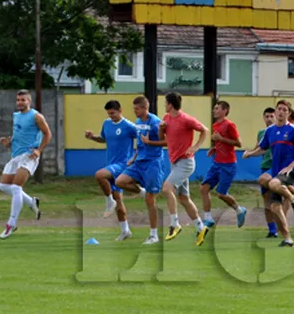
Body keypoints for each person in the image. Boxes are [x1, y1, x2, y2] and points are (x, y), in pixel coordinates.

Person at [142, 92, 209, 243]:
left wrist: (195, 147)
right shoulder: (166, 118)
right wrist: (161, 129)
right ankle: (201, 227)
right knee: (184, 198)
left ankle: (174, 224)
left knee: (166, 188)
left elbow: (205, 130)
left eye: (165, 103)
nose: (164, 106)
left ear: (170, 105)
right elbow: (162, 139)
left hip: (186, 162)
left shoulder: (185, 119)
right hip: (175, 163)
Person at [243, 99, 294, 247]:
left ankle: (293, 197)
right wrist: (250, 153)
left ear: (288, 114)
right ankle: (288, 239)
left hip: (290, 170)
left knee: (273, 183)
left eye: (285, 110)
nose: (281, 112)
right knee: (274, 206)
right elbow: (263, 148)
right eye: (279, 109)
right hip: (276, 170)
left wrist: (292, 166)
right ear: (276, 111)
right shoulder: (270, 131)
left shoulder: (293, 130)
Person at [0, 90, 49, 239]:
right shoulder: (16, 116)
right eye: (18, 100)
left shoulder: (36, 116)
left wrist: (39, 151)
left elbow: (48, 134)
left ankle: (11, 224)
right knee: (3, 186)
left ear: (29, 101)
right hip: (16, 156)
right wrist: (9, 144)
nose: (20, 102)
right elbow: (18, 135)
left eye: (23, 100)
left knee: (16, 187)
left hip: (29, 155)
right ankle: (31, 202)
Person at [88, 100, 142, 241]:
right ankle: (125, 231)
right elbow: (103, 139)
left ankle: (108, 201)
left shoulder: (129, 126)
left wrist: (135, 157)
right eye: (108, 113)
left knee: (99, 175)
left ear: (120, 110)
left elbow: (143, 141)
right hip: (111, 163)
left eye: (113, 113)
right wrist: (93, 137)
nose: (111, 116)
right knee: (118, 199)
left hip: (123, 164)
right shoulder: (106, 124)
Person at [114, 96, 164, 245]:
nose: (134, 111)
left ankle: (154, 235)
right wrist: (134, 157)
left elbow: (166, 142)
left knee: (150, 200)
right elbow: (140, 143)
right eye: (134, 108)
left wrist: (150, 142)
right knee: (120, 181)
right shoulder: (137, 122)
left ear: (144, 108)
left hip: (153, 163)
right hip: (139, 161)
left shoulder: (155, 122)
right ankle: (141, 191)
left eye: (136, 108)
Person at [198, 100, 246, 245]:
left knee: (221, 194)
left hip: (228, 164)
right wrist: (215, 147)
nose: (214, 111)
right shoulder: (215, 125)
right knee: (204, 188)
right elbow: (220, 143)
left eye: (217, 108)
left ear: (225, 110)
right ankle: (208, 218)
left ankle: (239, 210)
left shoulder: (229, 125)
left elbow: (238, 143)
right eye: (214, 108)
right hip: (217, 163)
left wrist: (221, 139)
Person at [257, 107, 279, 238]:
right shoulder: (261, 133)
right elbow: (259, 148)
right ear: (263, 118)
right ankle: (272, 229)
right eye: (267, 116)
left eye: (272, 116)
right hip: (266, 167)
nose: (269, 119)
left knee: (278, 198)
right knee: (266, 199)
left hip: (278, 168)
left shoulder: (280, 131)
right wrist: (250, 153)